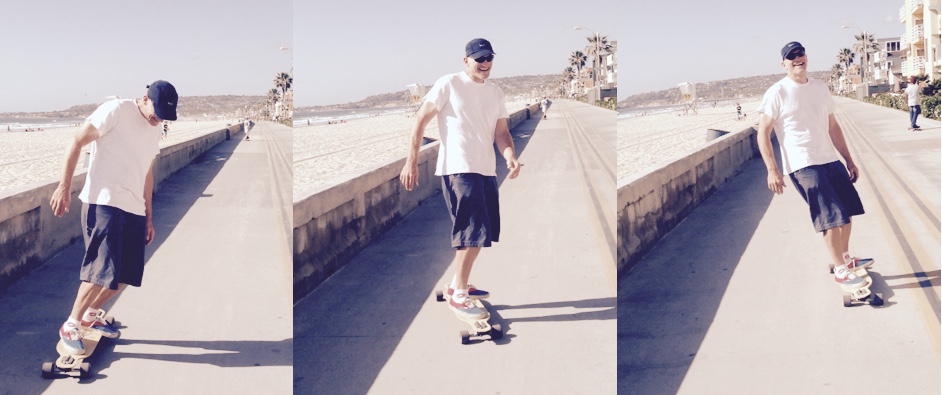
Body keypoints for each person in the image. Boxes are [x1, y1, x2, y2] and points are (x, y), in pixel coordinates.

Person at [49, 80, 178, 354]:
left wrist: (149, 216)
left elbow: (146, 172)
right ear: (145, 99)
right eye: (156, 112)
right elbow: (76, 139)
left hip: (134, 208)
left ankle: (91, 315)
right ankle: (71, 323)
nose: (158, 120)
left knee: (127, 273)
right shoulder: (115, 110)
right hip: (104, 201)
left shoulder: (156, 128)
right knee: (101, 269)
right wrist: (64, 187)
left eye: (164, 117)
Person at [399, 38, 521, 319]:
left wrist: (509, 156)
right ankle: (460, 294)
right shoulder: (448, 84)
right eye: (479, 59)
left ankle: (457, 285)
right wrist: (411, 162)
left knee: (478, 234)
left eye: (489, 58)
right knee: (473, 232)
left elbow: (501, 133)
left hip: (486, 169)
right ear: (466, 60)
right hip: (458, 168)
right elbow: (420, 120)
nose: (485, 64)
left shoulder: (496, 92)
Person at [756, 42, 872, 290]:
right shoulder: (777, 92)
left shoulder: (820, 87)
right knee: (831, 217)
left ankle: (846, 259)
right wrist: (772, 169)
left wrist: (848, 159)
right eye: (791, 56)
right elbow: (762, 132)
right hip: (803, 164)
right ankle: (841, 271)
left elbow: (833, 127)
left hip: (829, 159)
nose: (798, 59)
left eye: (801, 54)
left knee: (848, 210)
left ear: (806, 57)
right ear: (784, 63)